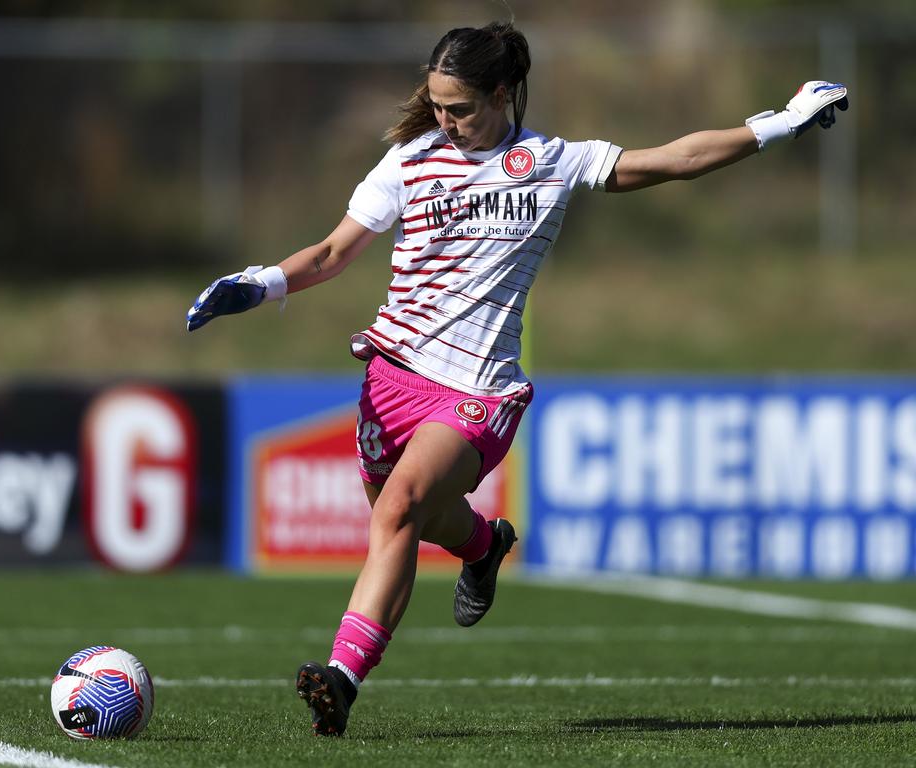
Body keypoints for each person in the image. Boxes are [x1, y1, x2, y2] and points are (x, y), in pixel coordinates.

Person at [186, 21, 848, 737]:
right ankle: (481, 545)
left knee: (398, 509)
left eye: (460, 108)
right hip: (392, 378)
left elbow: (674, 159)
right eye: (437, 106)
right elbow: (331, 252)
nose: (445, 121)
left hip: (478, 390)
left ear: (502, 94)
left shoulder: (552, 161)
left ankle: (341, 679)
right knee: (416, 518)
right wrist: (259, 284)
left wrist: (779, 123)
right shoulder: (408, 161)